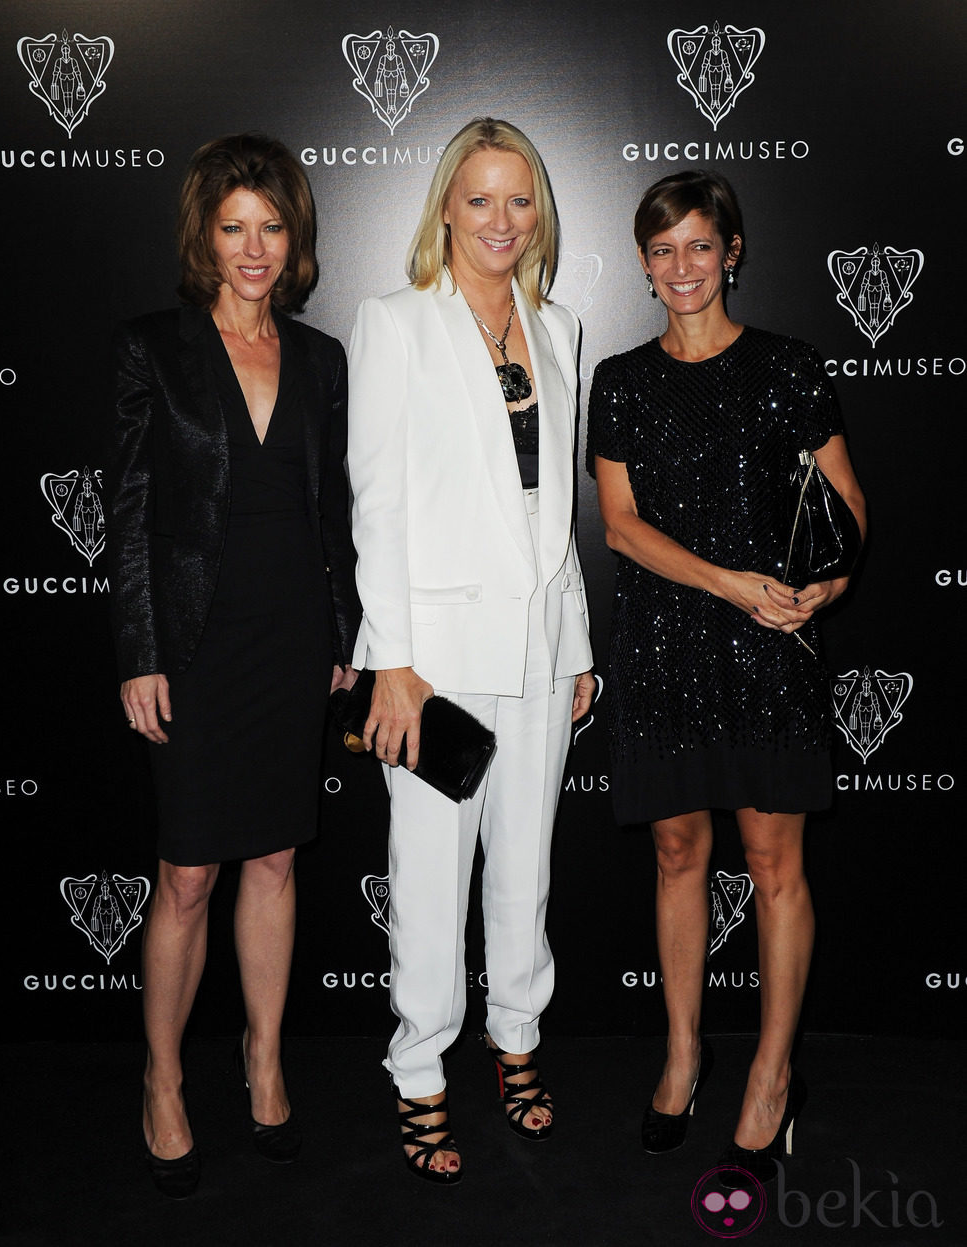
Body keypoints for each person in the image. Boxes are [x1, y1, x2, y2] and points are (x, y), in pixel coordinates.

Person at [588, 170, 865, 1184]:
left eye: (698, 246)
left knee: (773, 863)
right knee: (674, 853)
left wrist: (814, 594)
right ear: (643, 262)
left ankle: (771, 1070)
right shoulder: (618, 379)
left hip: (766, 650)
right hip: (666, 640)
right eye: (660, 251)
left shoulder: (788, 366)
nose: (680, 268)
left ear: (732, 251)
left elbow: (845, 514)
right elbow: (617, 526)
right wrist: (728, 583)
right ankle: (681, 1052)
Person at [107, 133, 358, 1198]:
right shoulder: (152, 347)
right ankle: (163, 1079)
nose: (254, 249)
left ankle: (264, 1061)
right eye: (233, 228)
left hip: (292, 638)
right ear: (204, 239)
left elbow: (338, 514)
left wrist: (349, 631)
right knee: (187, 871)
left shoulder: (320, 357)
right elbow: (125, 512)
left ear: (293, 238)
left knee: (273, 860)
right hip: (195, 642)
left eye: (271, 227)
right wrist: (141, 650)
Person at [347, 117, 595, 1184]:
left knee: (524, 871)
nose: (501, 220)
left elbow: (555, 514)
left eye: (520, 199)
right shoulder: (395, 322)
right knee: (429, 875)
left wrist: (577, 643)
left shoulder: (561, 326)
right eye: (480, 198)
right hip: (436, 661)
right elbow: (376, 501)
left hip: (540, 649)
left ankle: (517, 1044)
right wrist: (391, 657)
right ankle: (418, 1070)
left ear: (538, 211)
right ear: (445, 205)